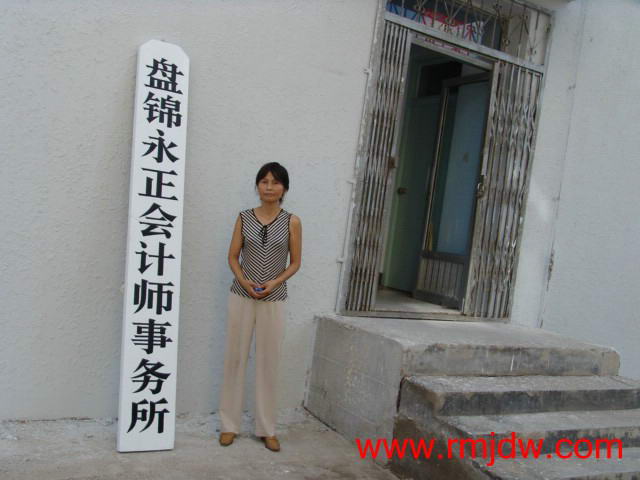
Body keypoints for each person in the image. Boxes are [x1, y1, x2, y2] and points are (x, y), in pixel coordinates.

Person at [217, 162, 302, 452]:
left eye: (275, 182)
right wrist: (244, 280)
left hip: (274, 299)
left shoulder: (292, 222)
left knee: (269, 363)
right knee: (235, 359)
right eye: (264, 181)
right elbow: (232, 256)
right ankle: (229, 425)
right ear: (257, 186)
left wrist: (274, 282)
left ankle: (267, 429)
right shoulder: (244, 218)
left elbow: (295, 262)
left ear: (284, 188)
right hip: (241, 296)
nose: (269, 187)